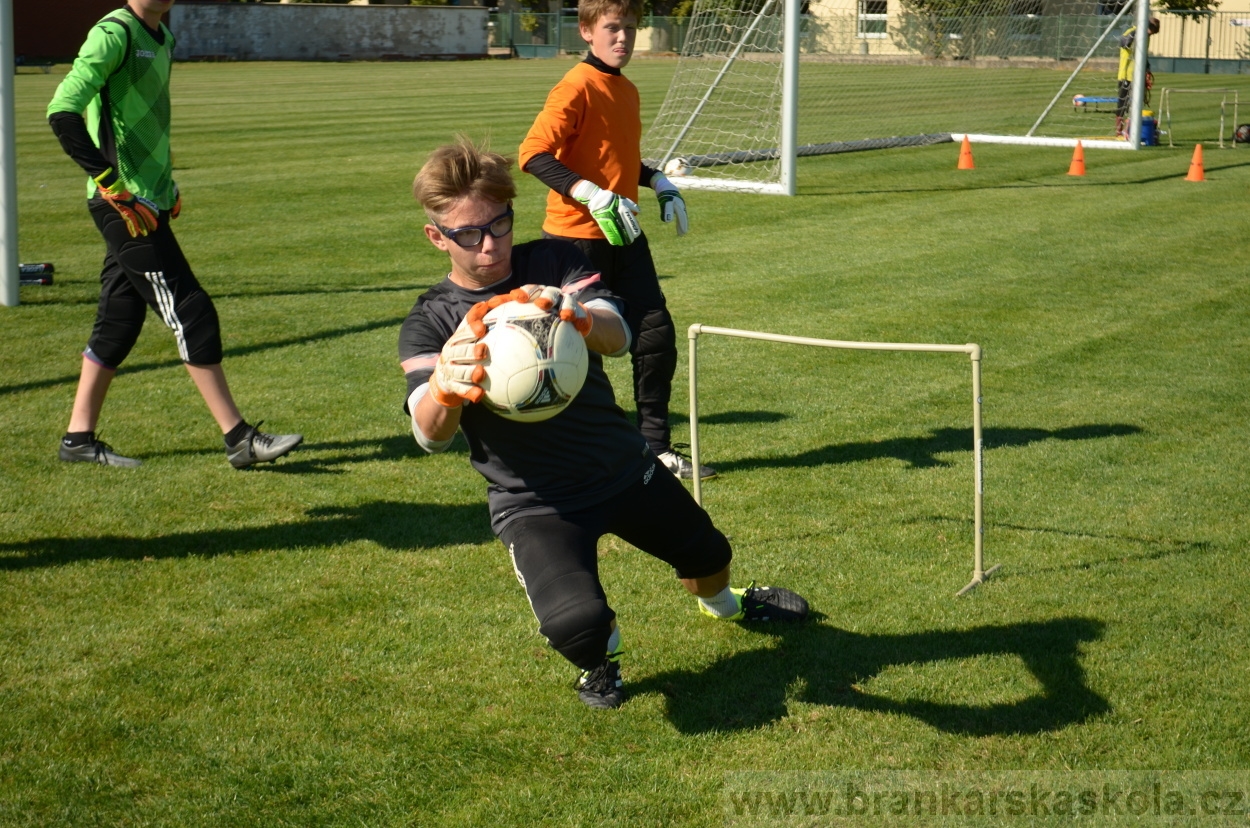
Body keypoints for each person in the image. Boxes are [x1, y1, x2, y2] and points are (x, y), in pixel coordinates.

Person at [399, 139, 809, 710]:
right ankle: (601, 659)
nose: (490, 245)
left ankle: (728, 606)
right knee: (577, 626)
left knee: (710, 556)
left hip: (622, 469)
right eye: (469, 234)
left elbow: (618, 337)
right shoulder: (430, 321)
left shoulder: (557, 262)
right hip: (535, 503)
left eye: (499, 225)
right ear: (436, 237)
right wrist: (445, 383)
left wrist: (580, 315)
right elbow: (428, 435)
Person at [47, 0, 301, 469]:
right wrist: (113, 187)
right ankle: (239, 438)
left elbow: (147, 123)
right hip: (122, 206)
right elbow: (62, 111)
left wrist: (166, 187)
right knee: (191, 310)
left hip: (150, 201)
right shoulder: (115, 33)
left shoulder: (162, 37)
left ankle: (77, 440)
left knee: (118, 321)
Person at [518, 0, 714, 481]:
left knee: (656, 334)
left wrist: (658, 182)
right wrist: (588, 193)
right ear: (587, 31)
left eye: (629, 28)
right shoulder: (576, 85)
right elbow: (532, 153)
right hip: (574, 242)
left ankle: (657, 450)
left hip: (624, 234)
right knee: (580, 352)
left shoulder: (625, 88)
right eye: (612, 28)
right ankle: (586, 455)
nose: (622, 37)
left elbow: (618, 160)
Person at [1116, 16, 1160, 140]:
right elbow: (1123, 43)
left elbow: (1142, 54)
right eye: (1151, 31)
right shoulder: (1131, 31)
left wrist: (1147, 67)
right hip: (1126, 75)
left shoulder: (1147, 37)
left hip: (1138, 76)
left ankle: (1132, 130)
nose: (1151, 35)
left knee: (1137, 104)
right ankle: (1119, 131)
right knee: (1122, 104)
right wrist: (1136, 32)